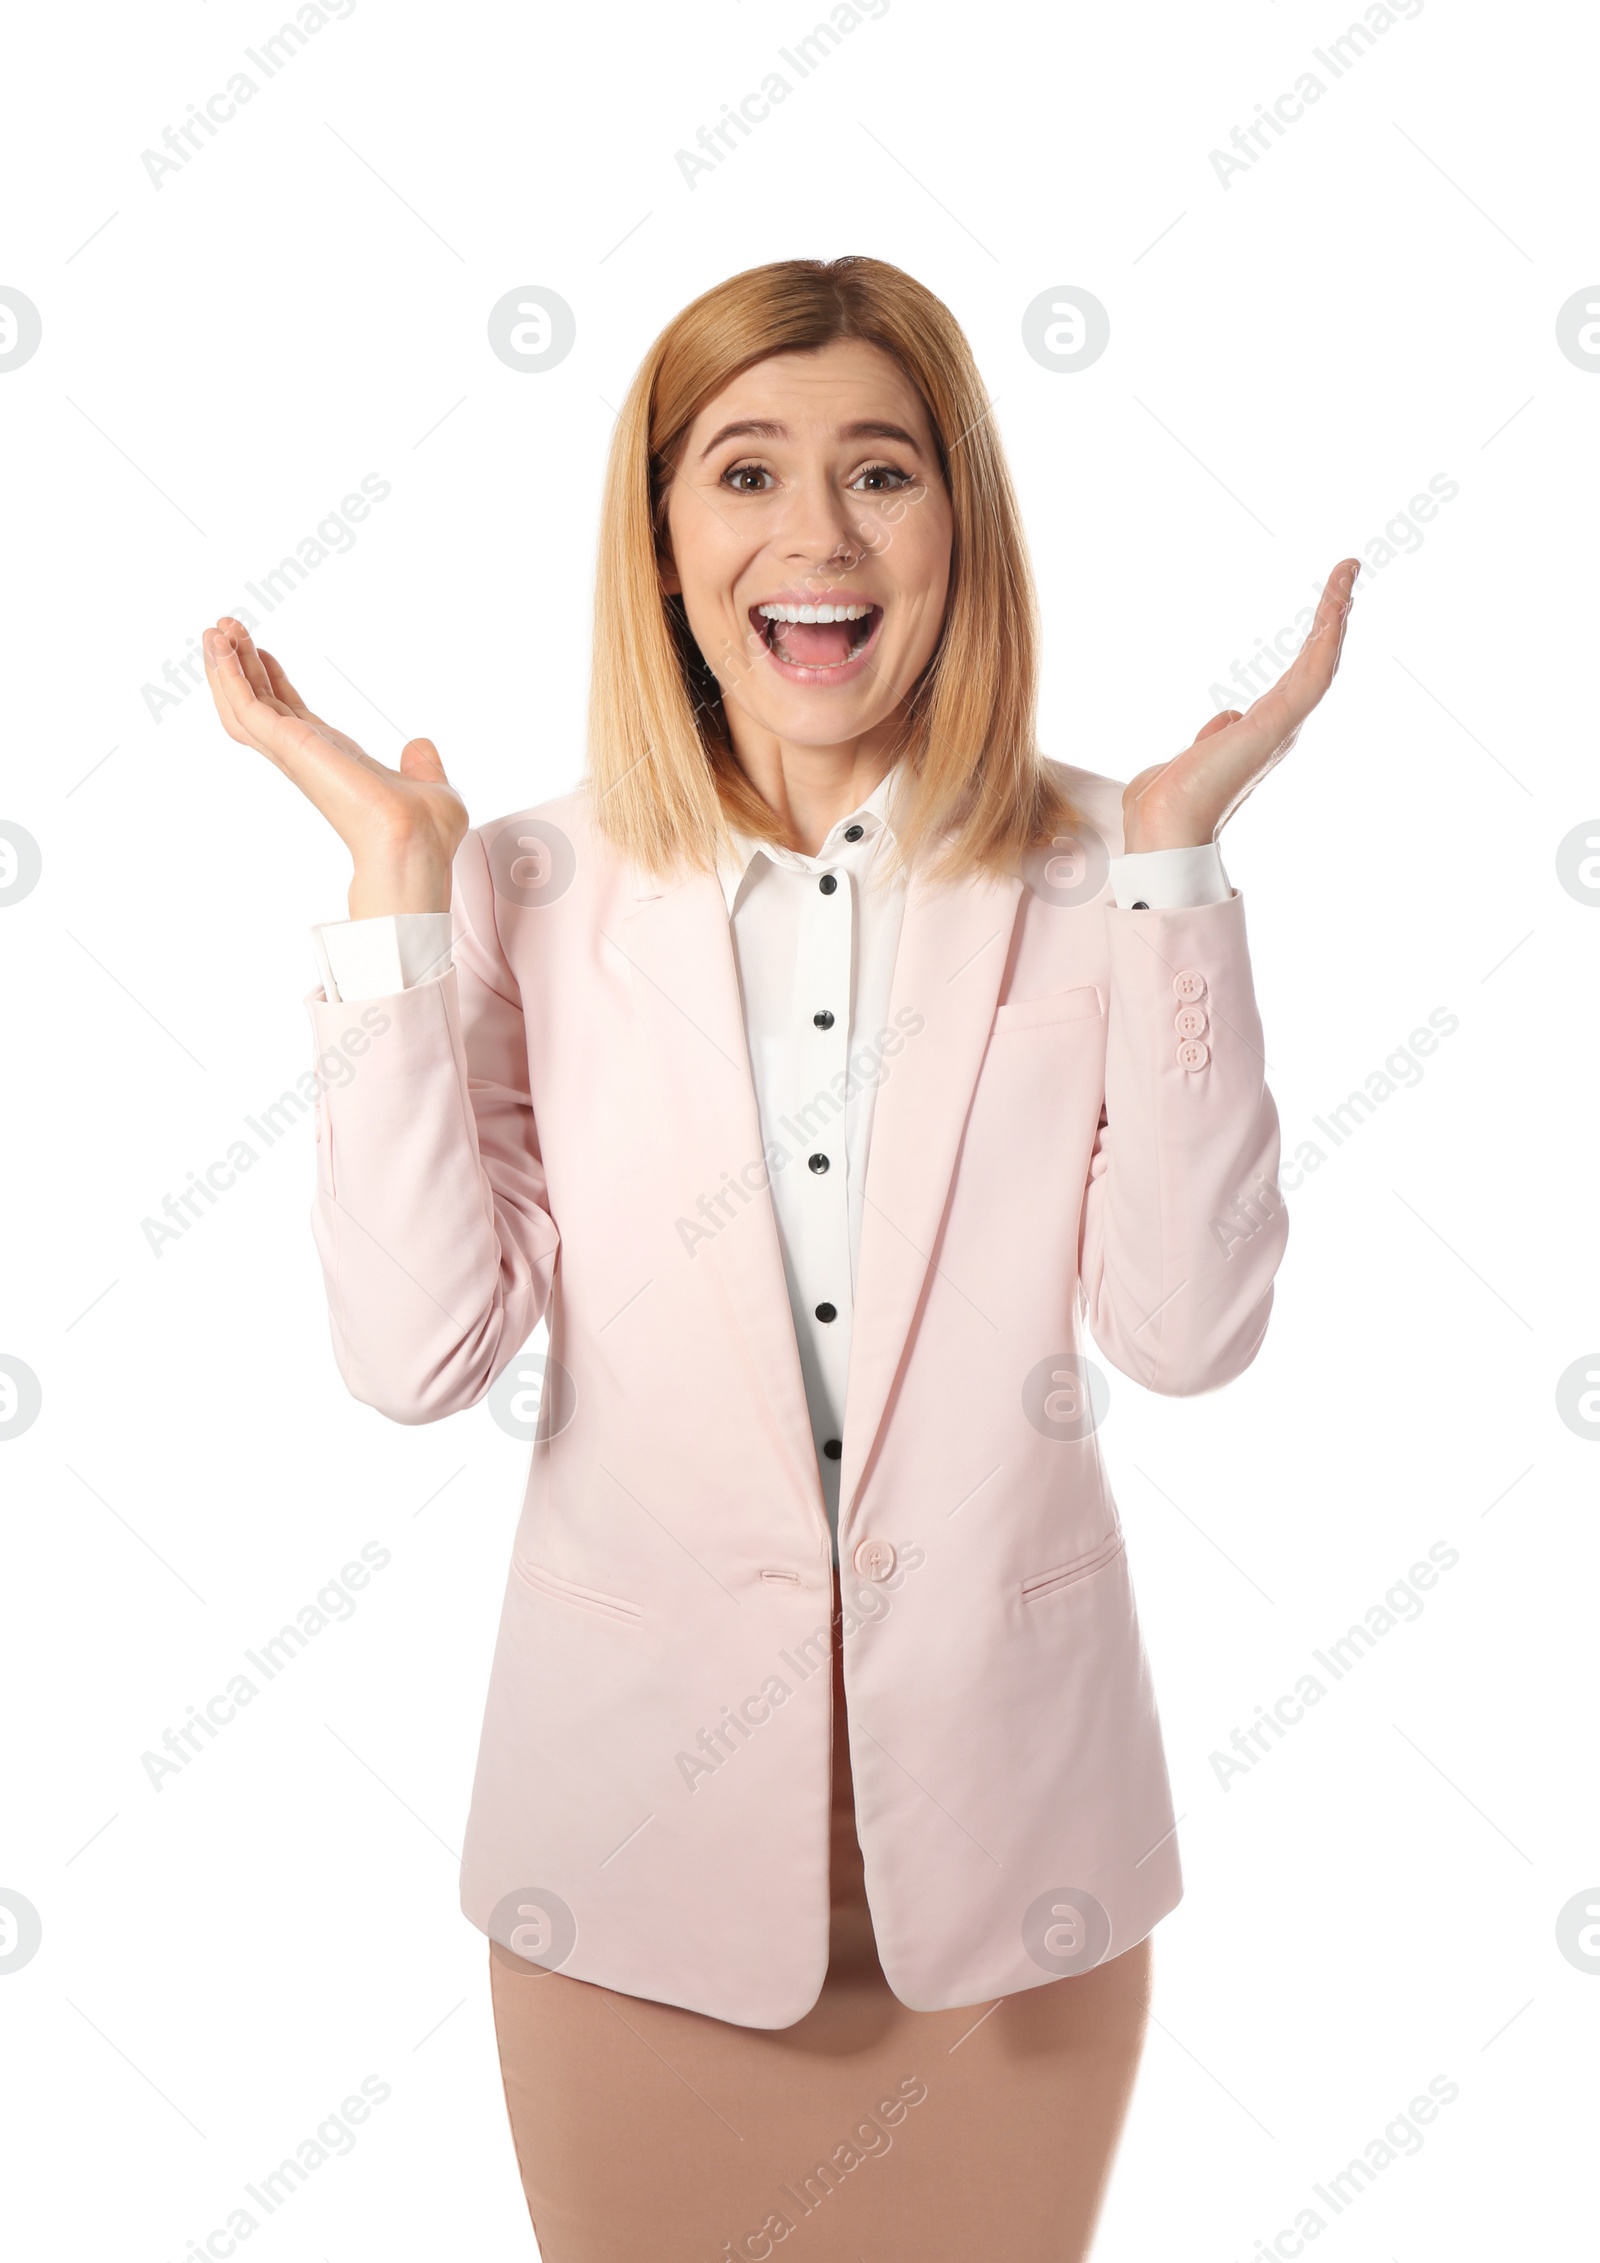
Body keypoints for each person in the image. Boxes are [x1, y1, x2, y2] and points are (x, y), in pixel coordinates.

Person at [202, 255, 1356, 2262]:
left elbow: (1183, 1334)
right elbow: (413, 1352)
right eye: (742, 471)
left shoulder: (1104, 869)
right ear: (661, 539)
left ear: (958, 524)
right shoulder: (525, 886)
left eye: (880, 473)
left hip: (1014, 1896)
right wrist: (395, 903)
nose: (811, 536)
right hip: (626, 1888)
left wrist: (1174, 869)